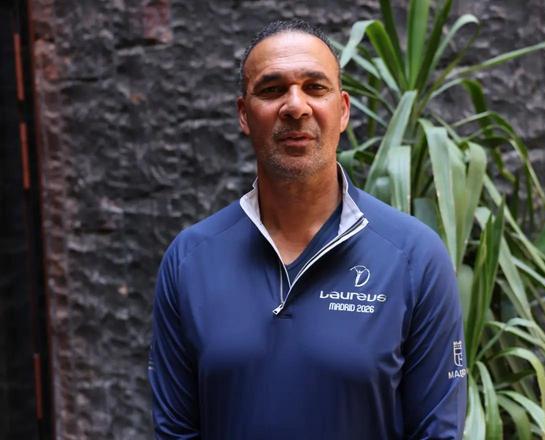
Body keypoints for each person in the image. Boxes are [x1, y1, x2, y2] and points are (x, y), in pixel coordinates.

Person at [149, 19, 467, 440]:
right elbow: (176, 433)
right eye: (272, 89)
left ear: (343, 110)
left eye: (315, 88)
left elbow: (437, 433)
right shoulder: (190, 259)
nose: (295, 106)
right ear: (244, 114)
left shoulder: (415, 257)